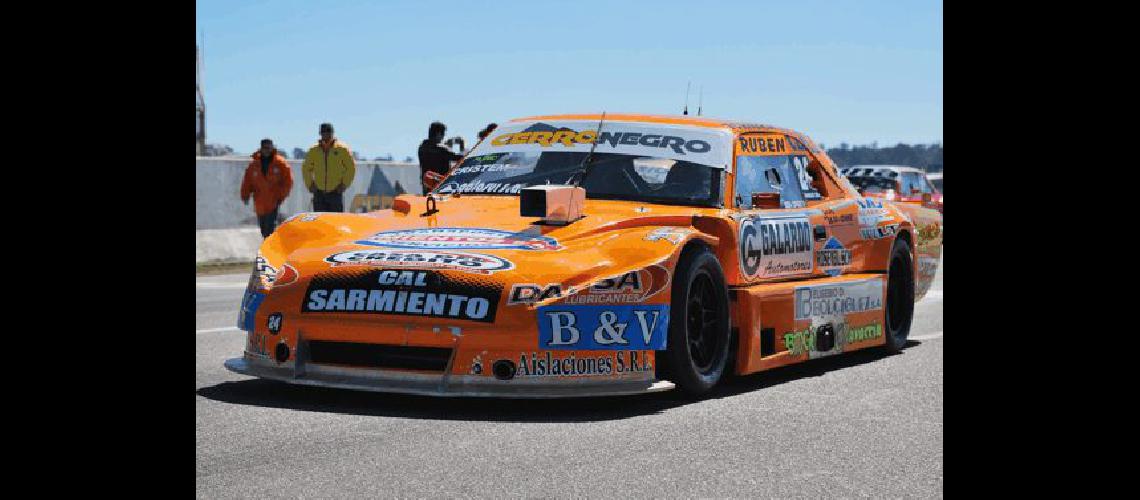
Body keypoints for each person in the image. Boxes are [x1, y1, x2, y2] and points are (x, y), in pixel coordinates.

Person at [241, 139, 294, 238]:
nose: (267, 150)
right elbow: (247, 181)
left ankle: (270, 249)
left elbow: (288, 181)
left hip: (273, 201)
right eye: (265, 148)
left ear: (272, 148)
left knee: (270, 229)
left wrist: (281, 195)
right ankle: (268, 246)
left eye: (269, 148)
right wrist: (245, 194)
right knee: (263, 228)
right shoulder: (254, 165)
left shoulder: (280, 163)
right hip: (259, 201)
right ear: (261, 149)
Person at [302, 123, 356, 211]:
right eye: (323, 132)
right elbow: (306, 168)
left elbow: (351, 168)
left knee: (336, 221)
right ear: (320, 133)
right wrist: (310, 184)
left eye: (328, 131)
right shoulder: (313, 150)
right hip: (319, 193)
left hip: (335, 192)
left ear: (332, 133)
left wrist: (344, 185)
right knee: (320, 222)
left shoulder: (342, 149)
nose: (326, 134)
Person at [418, 121, 464, 195]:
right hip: (441, 186)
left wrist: (446, 146)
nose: (443, 138)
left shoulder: (422, 147)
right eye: (443, 135)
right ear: (439, 133)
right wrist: (462, 145)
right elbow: (459, 158)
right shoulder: (441, 149)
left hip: (427, 185)